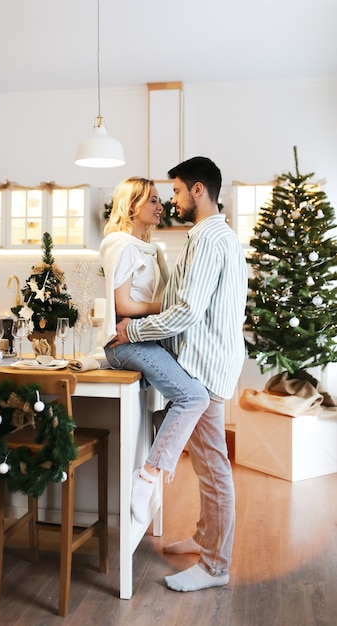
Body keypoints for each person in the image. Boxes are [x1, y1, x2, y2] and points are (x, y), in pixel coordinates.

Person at [108, 157, 248, 592]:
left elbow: (185, 312)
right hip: (215, 361)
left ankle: (215, 567)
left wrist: (132, 328)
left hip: (204, 367)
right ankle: (206, 540)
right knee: (209, 466)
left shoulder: (207, 240)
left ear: (198, 190)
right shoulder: (221, 235)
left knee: (213, 467)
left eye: (176, 190)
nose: (172, 199)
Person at [98, 177, 210, 525]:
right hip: (126, 343)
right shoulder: (122, 246)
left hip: (142, 339)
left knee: (182, 401)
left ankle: (159, 462)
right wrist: (163, 305)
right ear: (132, 206)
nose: (161, 207)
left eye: (162, 200)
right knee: (194, 397)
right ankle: (146, 477)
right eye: (153, 201)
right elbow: (122, 304)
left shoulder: (147, 247)